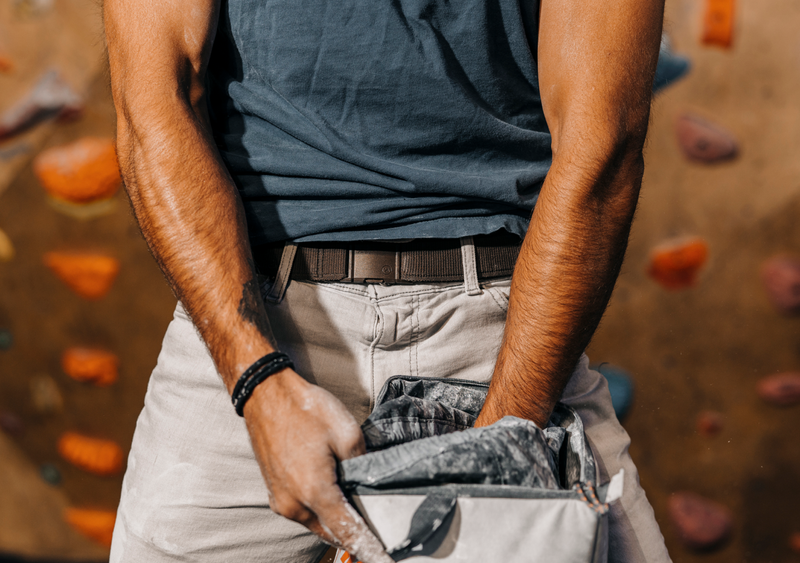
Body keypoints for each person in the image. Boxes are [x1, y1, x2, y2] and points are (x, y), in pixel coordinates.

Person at [104, 0, 671, 561]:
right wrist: (258, 384)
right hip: (253, 327)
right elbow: (152, 103)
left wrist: (496, 458)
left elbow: (603, 142)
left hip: (507, 341)